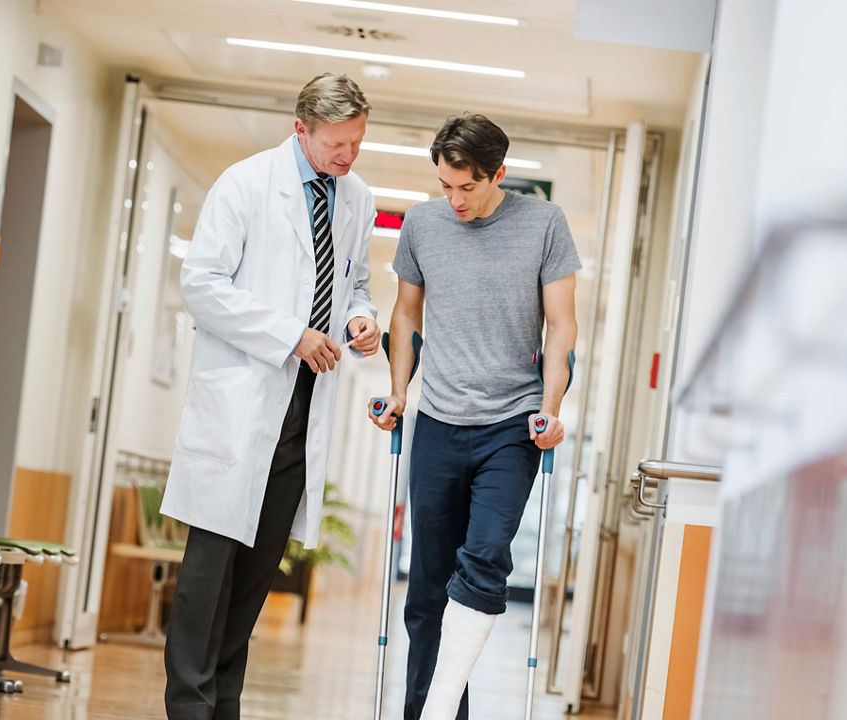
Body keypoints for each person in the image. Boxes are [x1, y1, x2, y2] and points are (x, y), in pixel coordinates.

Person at [160, 72, 381, 720]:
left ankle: (223, 706)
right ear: (300, 129)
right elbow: (201, 284)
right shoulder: (247, 184)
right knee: (208, 576)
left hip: (303, 409)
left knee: (255, 579)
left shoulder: (358, 198)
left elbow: (356, 281)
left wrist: (360, 319)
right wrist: (291, 336)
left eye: (357, 143)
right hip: (242, 404)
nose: (347, 156)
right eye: (337, 144)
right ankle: (189, 708)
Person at [369, 113, 580, 720]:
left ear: (499, 175)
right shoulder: (422, 222)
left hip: (511, 424)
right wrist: (399, 392)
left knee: (485, 555)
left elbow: (563, 324)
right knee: (427, 592)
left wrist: (551, 407)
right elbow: (406, 315)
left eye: (468, 186)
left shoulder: (544, 223)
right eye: (446, 186)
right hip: (437, 419)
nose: (455, 199)